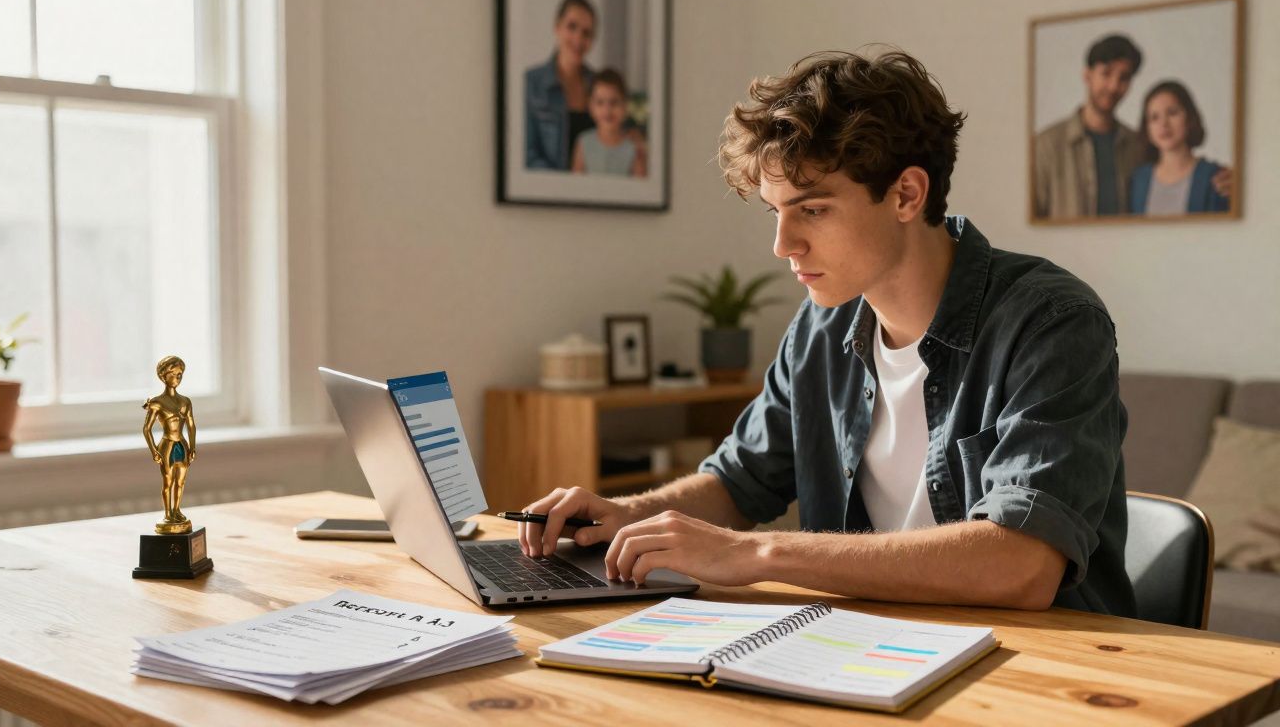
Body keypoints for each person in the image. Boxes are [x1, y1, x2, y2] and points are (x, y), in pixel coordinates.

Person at [517, 49, 1137, 617]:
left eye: (812, 208)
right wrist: (630, 515)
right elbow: (740, 480)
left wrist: (755, 556)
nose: (783, 245)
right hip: (866, 649)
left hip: (1043, 669)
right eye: (775, 211)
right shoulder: (822, 324)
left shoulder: (1052, 323)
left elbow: (1022, 565)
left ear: (906, 194)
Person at [1033, 34, 1148, 219]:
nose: (1113, 86)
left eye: (1124, 77)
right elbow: (1031, 220)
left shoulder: (1138, 145)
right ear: (1087, 75)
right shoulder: (1046, 144)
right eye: (1106, 73)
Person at [1128, 81, 1230, 215]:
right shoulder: (1138, 180)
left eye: (1172, 113)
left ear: (1189, 118)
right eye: (1154, 117)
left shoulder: (1215, 177)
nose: (1163, 123)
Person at [524, 0, 597, 171]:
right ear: (557, 27)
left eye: (586, 33)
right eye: (571, 27)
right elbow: (528, 155)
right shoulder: (531, 83)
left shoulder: (599, 85)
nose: (578, 39)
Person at [142, 355, 197, 534]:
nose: (177, 378)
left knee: (180, 482)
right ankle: (168, 514)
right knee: (167, 482)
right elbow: (146, 429)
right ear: (163, 376)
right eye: (173, 374)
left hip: (182, 443)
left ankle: (177, 510)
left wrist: (193, 447)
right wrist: (154, 451)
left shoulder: (185, 401)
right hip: (167, 445)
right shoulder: (157, 402)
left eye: (180, 374)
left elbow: (191, 425)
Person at [572, 68, 647, 177]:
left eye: (614, 102)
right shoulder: (583, 142)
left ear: (625, 105)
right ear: (590, 106)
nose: (607, 110)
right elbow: (576, 184)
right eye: (600, 102)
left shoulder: (634, 146)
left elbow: (641, 185)